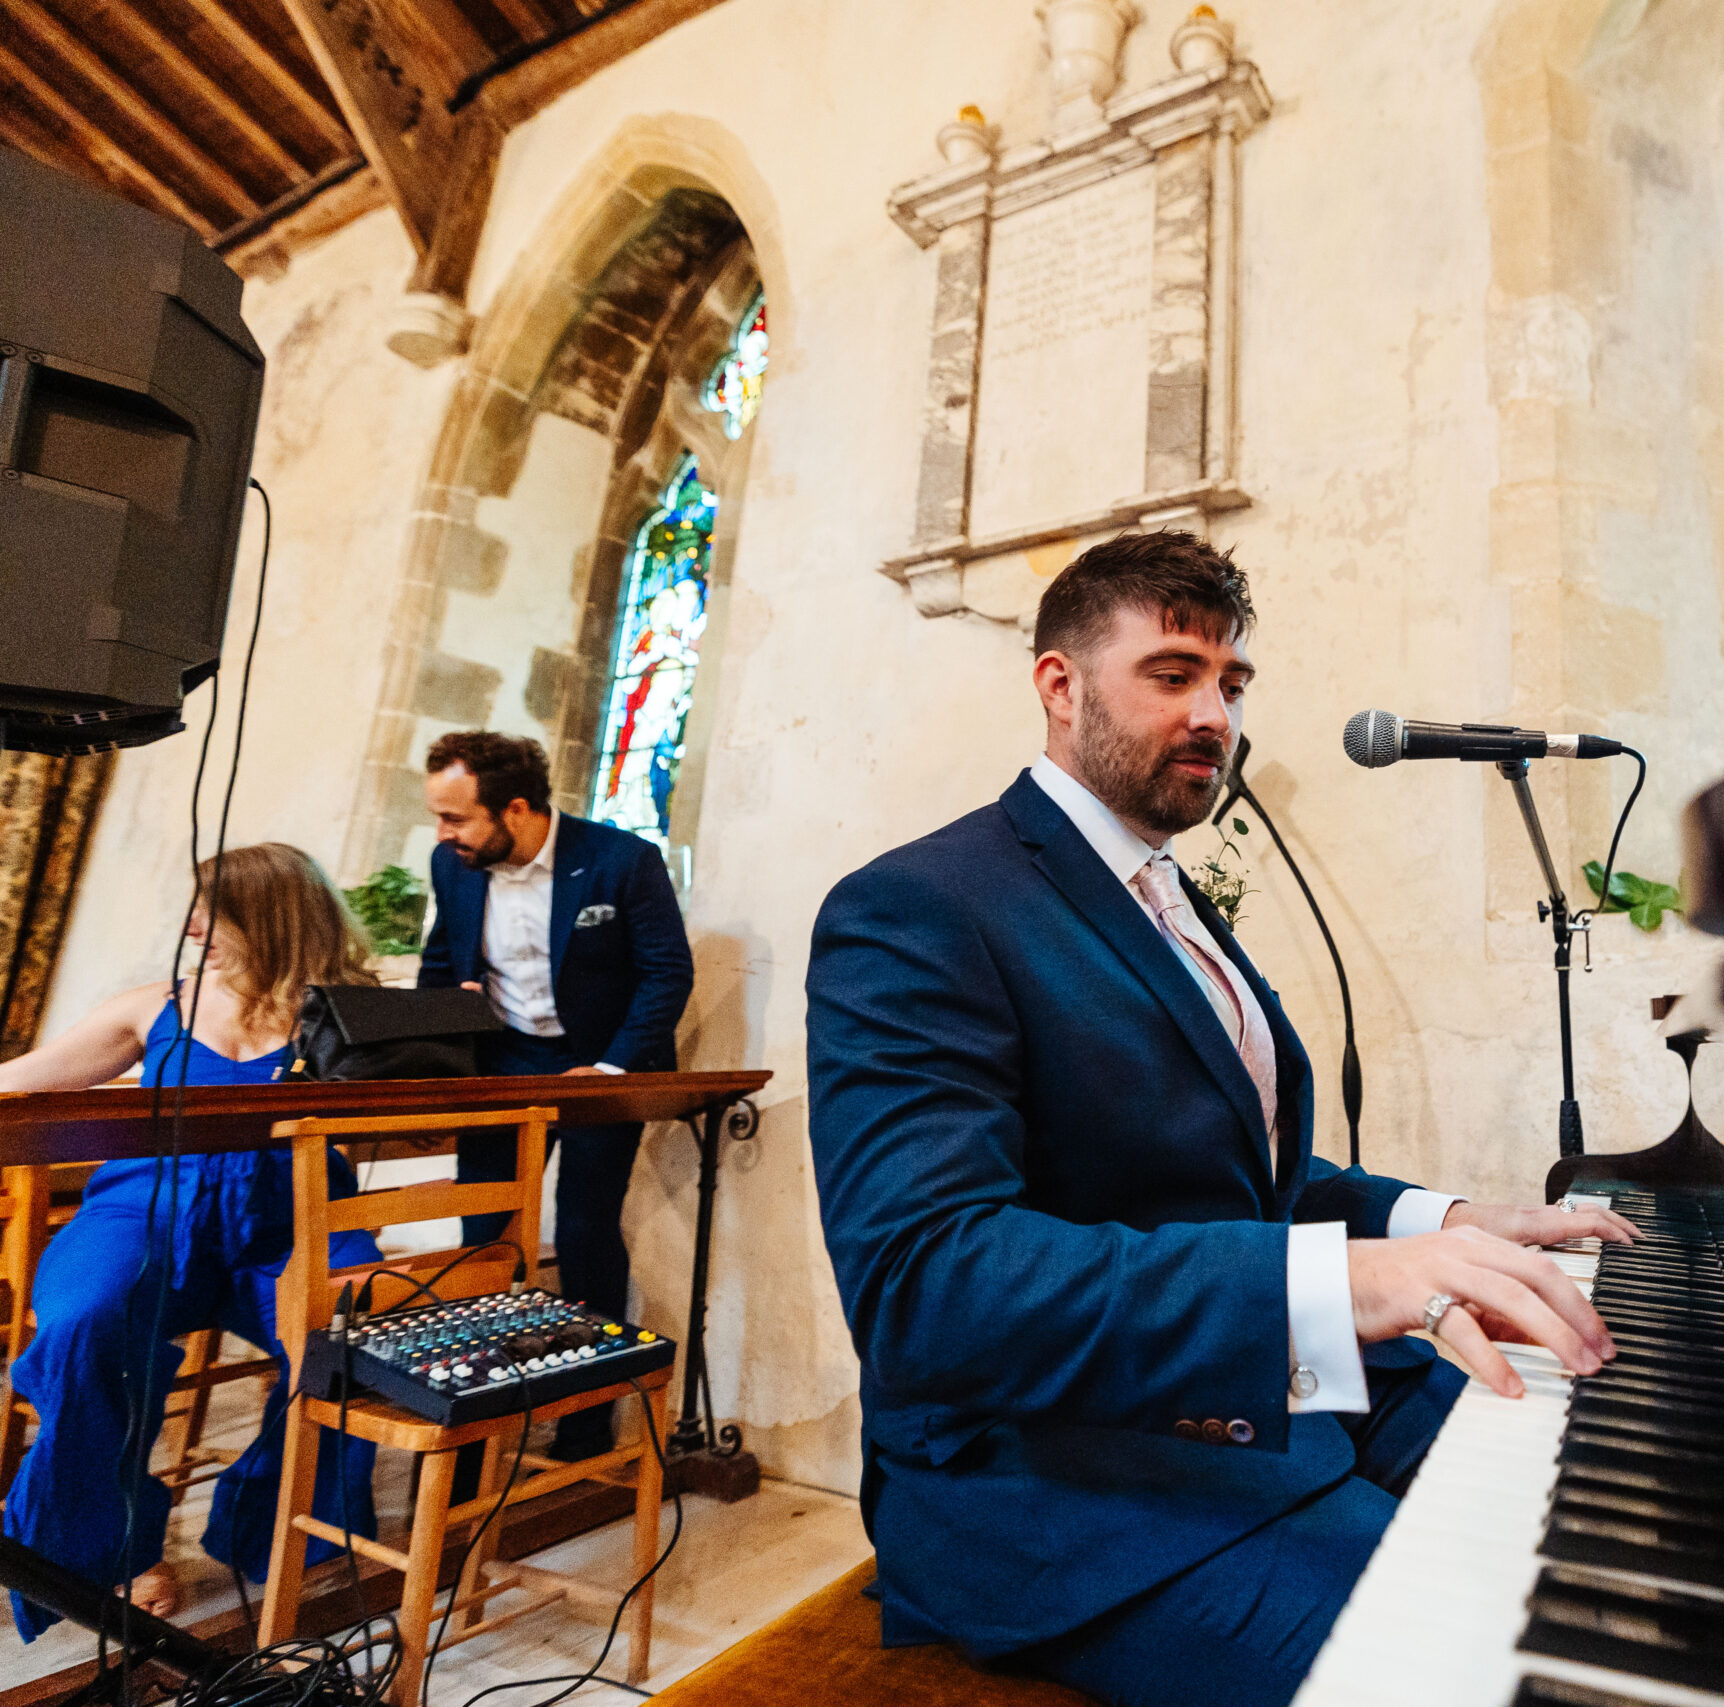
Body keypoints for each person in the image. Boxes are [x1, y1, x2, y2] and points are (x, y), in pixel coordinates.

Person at [806, 531, 1638, 1707]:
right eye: (1172, 675)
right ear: (1059, 685)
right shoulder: (920, 907)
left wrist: (1447, 1219)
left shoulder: (1159, 885)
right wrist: (1353, 1286)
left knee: (1605, 1504)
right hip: (1052, 1484)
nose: (1215, 715)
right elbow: (925, 1288)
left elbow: (1236, 1175)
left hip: (1274, 1393)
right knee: (1485, 1672)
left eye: (1232, 683)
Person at [0, 844, 383, 1637]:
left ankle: (266, 1525)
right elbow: (27, 1076)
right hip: (145, 1212)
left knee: (358, 1316)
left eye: (214, 911)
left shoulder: (343, 1014)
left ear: (269, 917)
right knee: (82, 1321)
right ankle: (115, 1549)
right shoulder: (157, 1005)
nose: (193, 926)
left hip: (284, 1221)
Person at [419, 730, 693, 1461]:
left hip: (598, 1067)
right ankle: (476, 1427)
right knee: (483, 1242)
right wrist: (449, 1026)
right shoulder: (454, 866)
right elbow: (440, 962)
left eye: (455, 818)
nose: (443, 836)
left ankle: (584, 1418)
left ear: (515, 806)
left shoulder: (621, 860)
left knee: (583, 1230)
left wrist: (608, 1070)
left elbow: (667, 973)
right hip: (502, 1064)